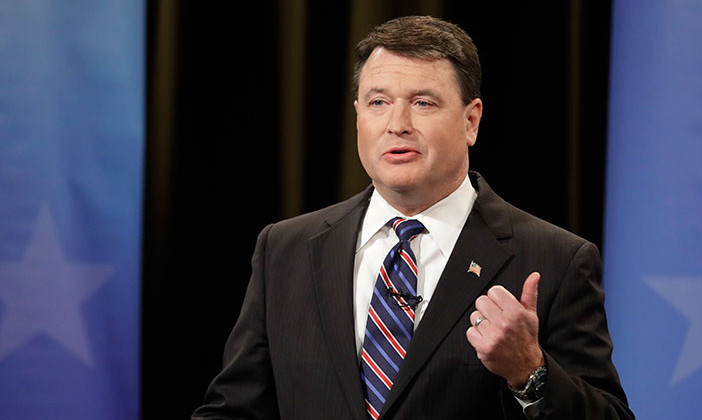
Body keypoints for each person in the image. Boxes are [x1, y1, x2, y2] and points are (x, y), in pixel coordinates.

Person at [193, 15, 634, 420]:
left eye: (423, 103)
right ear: (358, 117)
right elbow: (234, 410)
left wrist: (531, 373)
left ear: (471, 121)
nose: (397, 123)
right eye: (378, 102)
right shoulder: (284, 249)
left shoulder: (554, 259)